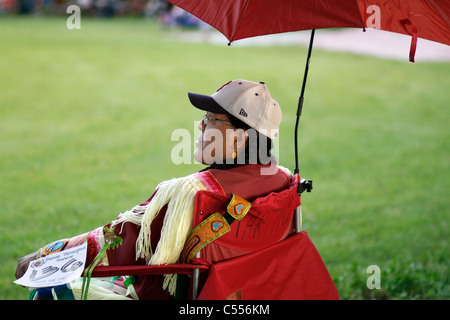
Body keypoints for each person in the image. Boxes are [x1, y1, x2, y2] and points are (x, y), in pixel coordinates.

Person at [15, 80, 295, 300]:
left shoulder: (193, 192)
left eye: (211, 119)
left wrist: (44, 257)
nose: (200, 125)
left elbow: (119, 242)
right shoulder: (283, 181)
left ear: (239, 140)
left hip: (179, 295)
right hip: (249, 295)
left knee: (47, 294)